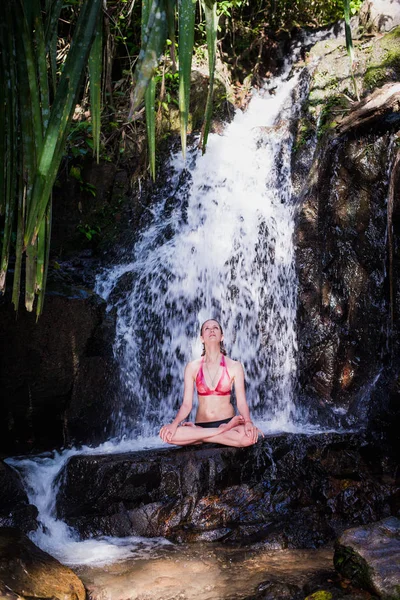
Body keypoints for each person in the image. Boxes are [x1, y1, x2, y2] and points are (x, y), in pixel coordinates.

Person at [159, 319, 261, 447]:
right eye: (207, 328)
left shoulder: (235, 366)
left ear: (222, 336)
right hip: (206, 425)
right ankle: (219, 432)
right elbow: (186, 405)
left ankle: (201, 437)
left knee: (249, 438)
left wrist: (248, 422)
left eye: (215, 328)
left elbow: (241, 402)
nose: (211, 330)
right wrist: (174, 425)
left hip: (227, 421)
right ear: (202, 338)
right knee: (168, 435)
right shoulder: (192, 367)